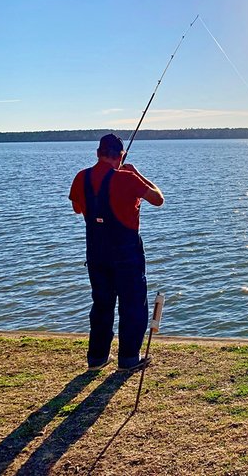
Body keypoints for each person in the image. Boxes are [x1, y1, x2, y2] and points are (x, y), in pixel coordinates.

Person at [69, 133, 164, 372]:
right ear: (120, 155)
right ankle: (129, 359)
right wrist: (135, 173)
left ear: (98, 153)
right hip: (126, 253)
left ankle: (97, 357)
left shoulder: (82, 177)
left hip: (96, 252)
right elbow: (158, 199)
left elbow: (78, 209)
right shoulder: (127, 178)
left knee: (101, 304)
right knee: (132, 304)